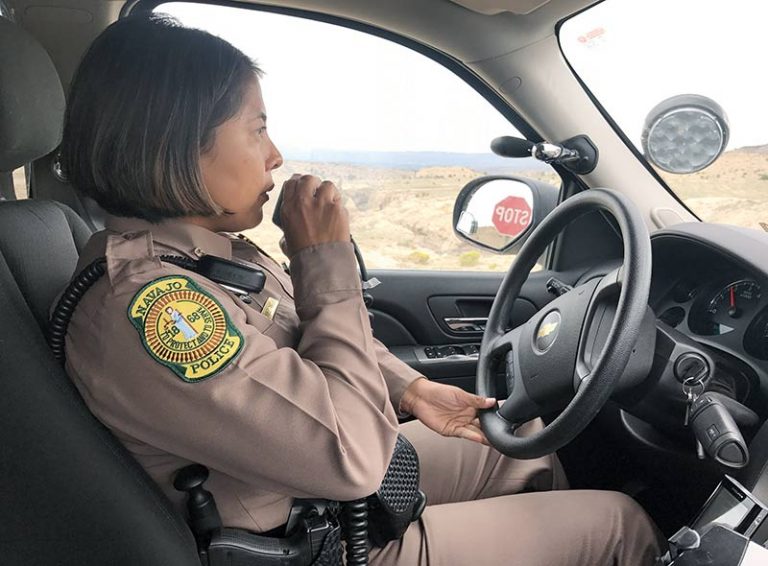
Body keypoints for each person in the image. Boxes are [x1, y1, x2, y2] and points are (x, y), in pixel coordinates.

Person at [60, 13, 664, 565]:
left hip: (314, 486)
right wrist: (322, 261)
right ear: (177, 144)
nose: (274, 155)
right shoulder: (154, 309)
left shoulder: (198, 258)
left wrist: (413, 388)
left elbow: (295, 345)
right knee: (617, 525)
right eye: (257, 129)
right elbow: (350, 455)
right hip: (312, 536)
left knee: (521, 442)